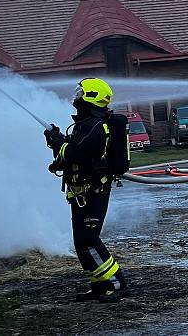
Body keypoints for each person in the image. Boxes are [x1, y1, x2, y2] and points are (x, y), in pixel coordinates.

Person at [43, 77, 128, 303]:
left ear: (91, 96)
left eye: (81, 93)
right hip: (82, 192)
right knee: (82, 242)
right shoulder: (86, 124)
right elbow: (73, 153)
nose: (76, 96)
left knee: (88, 240)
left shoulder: (95, 126)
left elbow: (77, 154)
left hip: (93, 192)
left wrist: (58, 143)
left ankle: (116, 283)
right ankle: (99, 285)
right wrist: (59, 141)